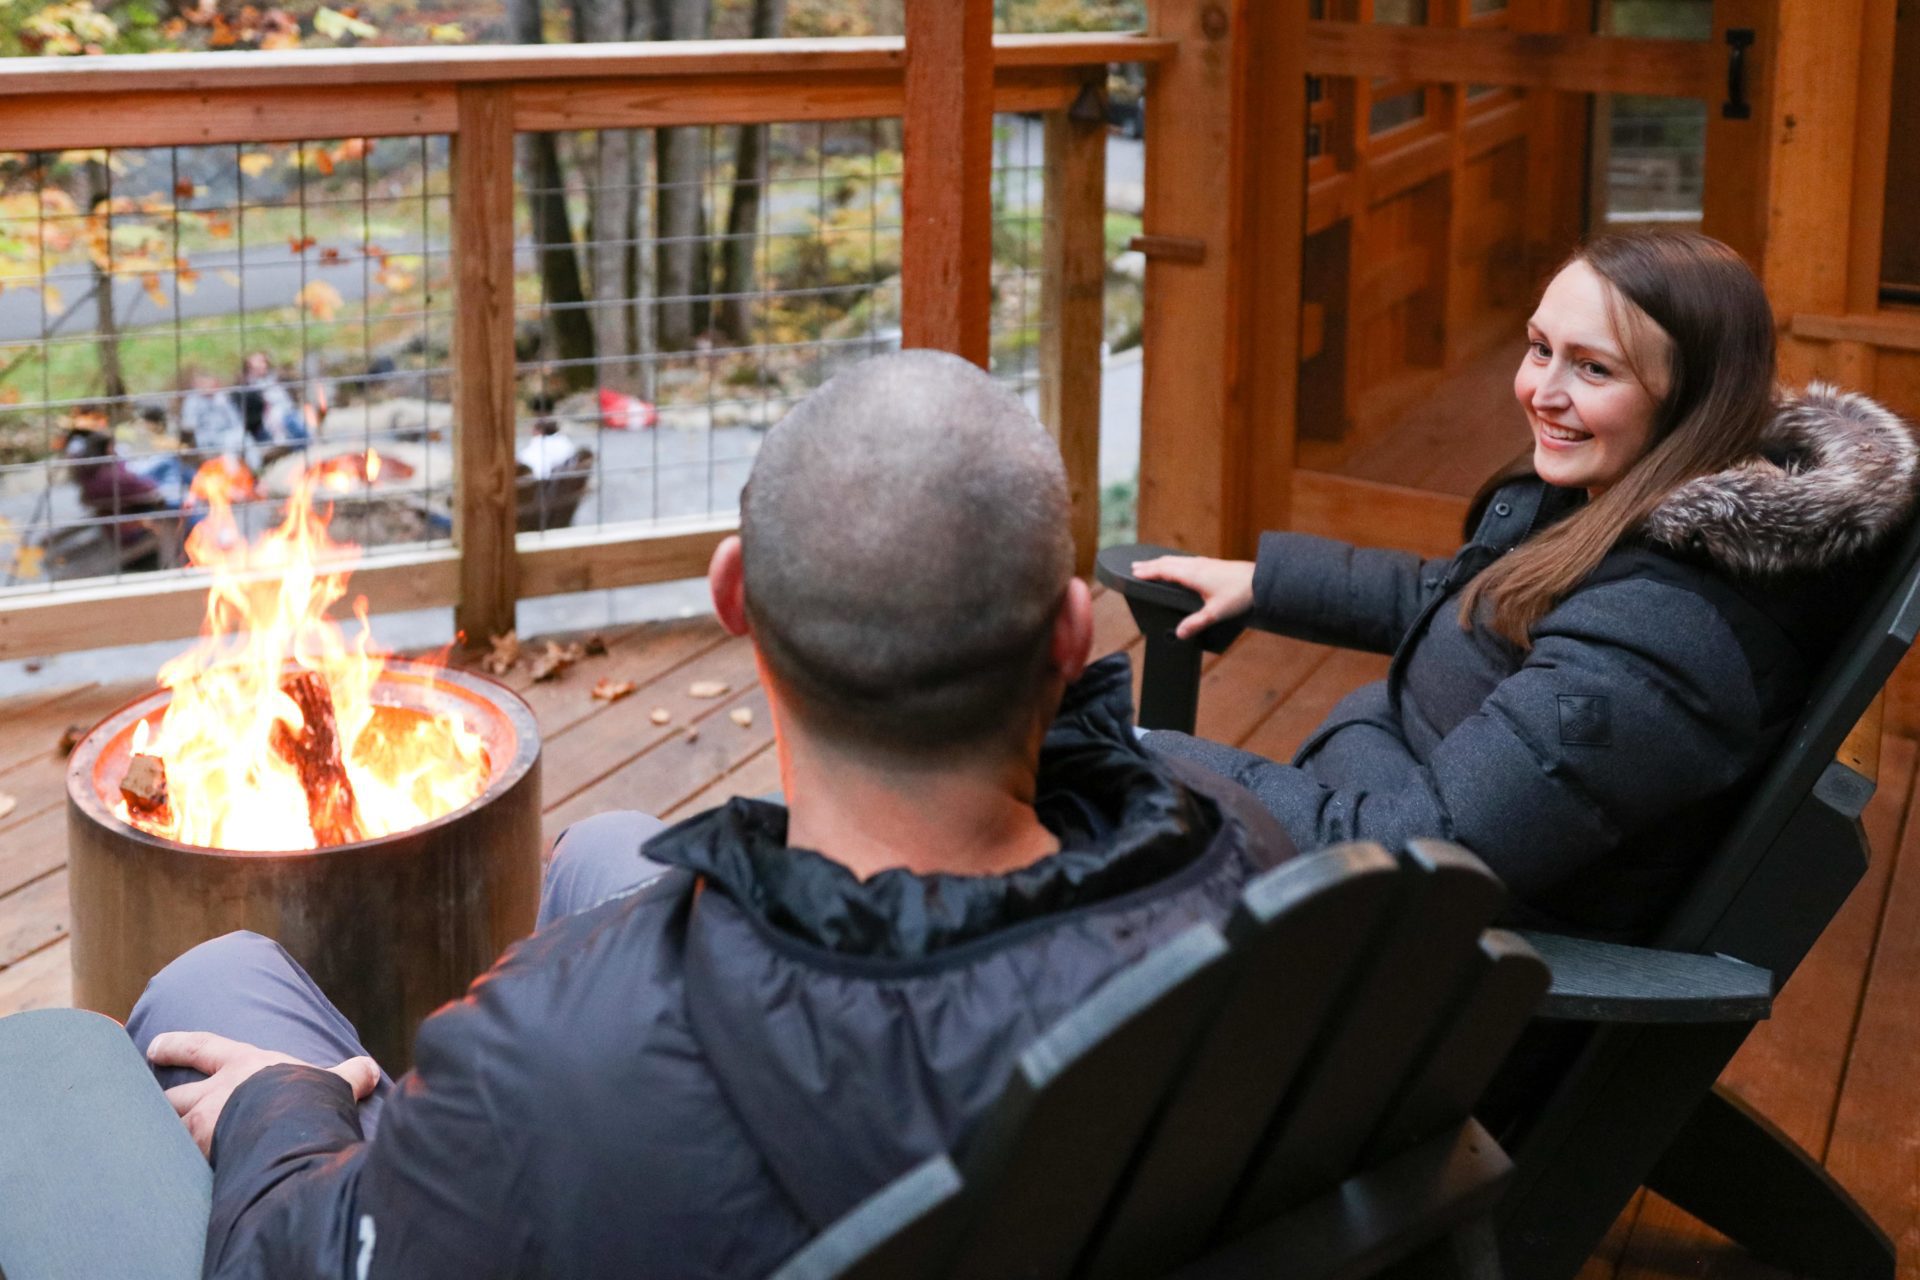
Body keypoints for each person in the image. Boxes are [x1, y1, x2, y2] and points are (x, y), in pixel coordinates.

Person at [123, 350, 1297, 1279]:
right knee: (605, 850)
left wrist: (288, 1100)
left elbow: (301, 1256)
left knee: (213, 977)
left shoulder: (554, 1055)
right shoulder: (1250, 861)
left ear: (734, 596)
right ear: (1075, 634)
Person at [1134, 232, 1919, 944]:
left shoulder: (1659, 643)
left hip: (1445, 984)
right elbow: (1476, 600)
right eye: (1540, 348)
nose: (1542, 390)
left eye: (1593, 368)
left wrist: (1141, 758)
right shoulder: (1621, 501)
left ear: (1691, 399)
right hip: (1375, 887)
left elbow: (1416, 852)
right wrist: (1266, 582)